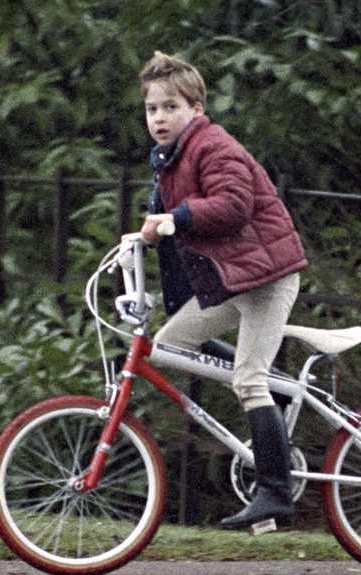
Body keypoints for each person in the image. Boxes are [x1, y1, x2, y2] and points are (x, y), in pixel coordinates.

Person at [138, 51, 308, 530]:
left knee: (247, 379)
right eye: (152, 109)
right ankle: (273, 384)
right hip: (239, 278)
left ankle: (275, 493)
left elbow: (232, 206)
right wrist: (143, 236)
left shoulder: (214, 146)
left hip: (268, 278)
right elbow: (173, 226)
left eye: (171, 107)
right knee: (169, 345)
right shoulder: (171, 160)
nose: (160, 118)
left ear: (196, 108)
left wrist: (177, 218)